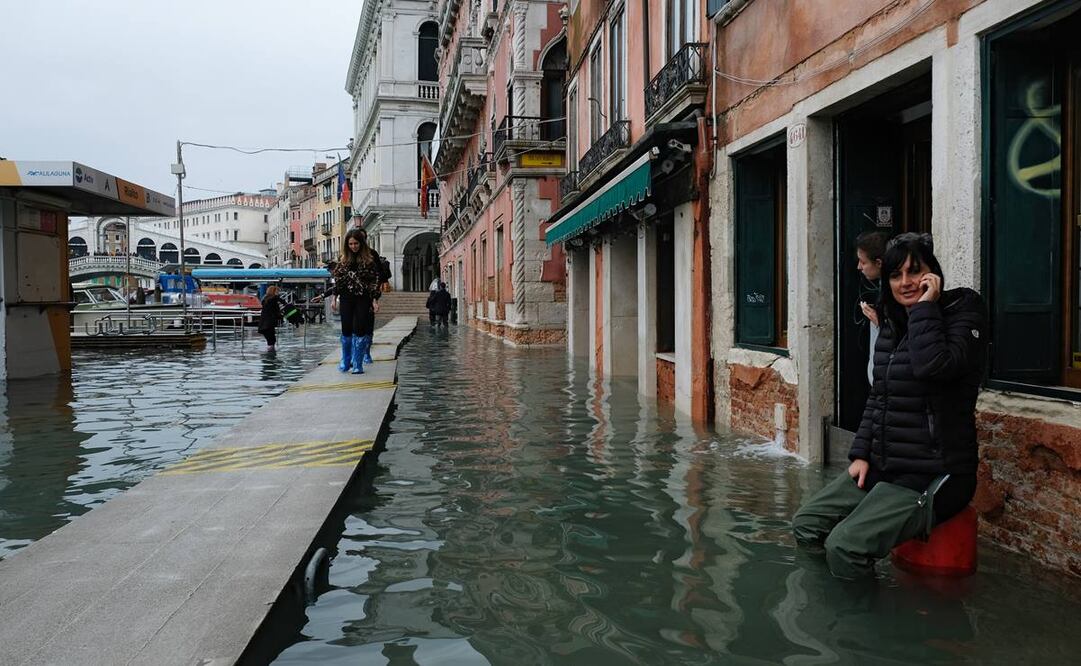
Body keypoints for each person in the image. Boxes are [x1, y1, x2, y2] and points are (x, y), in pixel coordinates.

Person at [792, 233, 987, 580]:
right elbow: (879, 396)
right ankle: (833, 608)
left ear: (933, 274)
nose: (906, 282)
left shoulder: (963, 312)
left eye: (915, 272)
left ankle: (863, 624)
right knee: (806, 524)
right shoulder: (890, 324)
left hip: (939, 473)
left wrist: (926, 308)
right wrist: (862, 452)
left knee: (845, 547)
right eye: (896, 275)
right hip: (887, 462)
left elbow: (935, 367)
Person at [324, 228, 385, 374]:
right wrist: (334, 298)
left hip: (363, 297)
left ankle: (358, 363)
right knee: (346, 329)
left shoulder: (369, 260)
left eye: (356, 243)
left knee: (360, 328)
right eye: (350, 244)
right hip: (346, 297)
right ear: (347, 245)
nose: (353, 246)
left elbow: (374, 281)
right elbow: (337, 281)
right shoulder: (343, 260)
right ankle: (346, 361)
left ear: (361, 243)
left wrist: (375, 300)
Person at [855, 231, 889, 385]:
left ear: (879, 263)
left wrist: (878, 321)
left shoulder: (897, 295)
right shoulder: (883, 286)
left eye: (863, 262)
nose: (859, 267)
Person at [258, 285, 284, 351]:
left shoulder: (265, 299)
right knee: (272, 341)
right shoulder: (274, 299)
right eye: (277, 291)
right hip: (269, 323)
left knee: (270, 341)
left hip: (263, 324)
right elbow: (277, 309)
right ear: (274, 291)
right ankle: (271, 355)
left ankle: (270, 354)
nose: (278, 293)